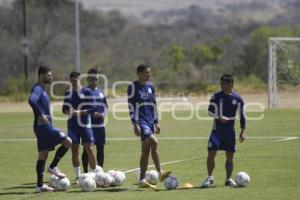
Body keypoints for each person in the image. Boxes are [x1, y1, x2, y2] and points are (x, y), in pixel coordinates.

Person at [28, 66, 72, 193]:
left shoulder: (42, 89)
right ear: (41, 75)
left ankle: (40, 185)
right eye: (48, 75)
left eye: (50, 75)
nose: (50, 77)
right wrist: (41, 114)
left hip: (40, 127)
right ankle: (53, 167)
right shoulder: (37, 88)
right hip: (44, 127)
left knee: (43, 155)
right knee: (67, 141)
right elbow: (31, 100)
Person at [127, 64, 171, 189]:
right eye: (147, 72)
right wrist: (135, 124)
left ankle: (141, 179)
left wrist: (156, 121)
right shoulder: (133, 87)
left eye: (149, 72)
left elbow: (153, 103)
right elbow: (131, 106)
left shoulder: (151, 86)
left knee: (146, 151)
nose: (149, 74)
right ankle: (160, 173)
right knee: (154, 141)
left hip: (150, 121)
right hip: (141, 122)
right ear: (139, 73)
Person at [201, 73, 246, 188]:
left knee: (230, 156)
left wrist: (243, 130)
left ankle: (228, 179)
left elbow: (242, 115)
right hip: (217, 131)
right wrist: (219, 117)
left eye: (223, 83)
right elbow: (210, 111)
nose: (221, 86)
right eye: (220, 83)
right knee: (211, 153)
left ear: (231, 84)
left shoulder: (237, 98)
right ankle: (210, 177)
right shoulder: (216, 96)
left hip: (230, 132)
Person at [62, 71, 97, 182]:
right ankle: (78, 176)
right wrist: (68, 111)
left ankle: (93, 175)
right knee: (75, 150)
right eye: (71, 81)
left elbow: (93, 108)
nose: (73, 82)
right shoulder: (68, 93)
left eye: (75, 80)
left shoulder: (87, 91)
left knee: (89, 148)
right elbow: (64, 109)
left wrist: (79, 112)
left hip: (85, 125)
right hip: (72, 126)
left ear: (79, 80)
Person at [82, 68, 108, 172]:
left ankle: (100, 173)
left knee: (100, 149)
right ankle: (85, 173)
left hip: (100, 126)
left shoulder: (101, 92)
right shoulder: (84, 92)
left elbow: (106, 108)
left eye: (96, 79)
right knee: (86, 149)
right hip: (88, 126)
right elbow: (81, 108)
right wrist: (91, 113)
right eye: (92, 79)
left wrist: (102, 114)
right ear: (88, 79)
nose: (94, 81)